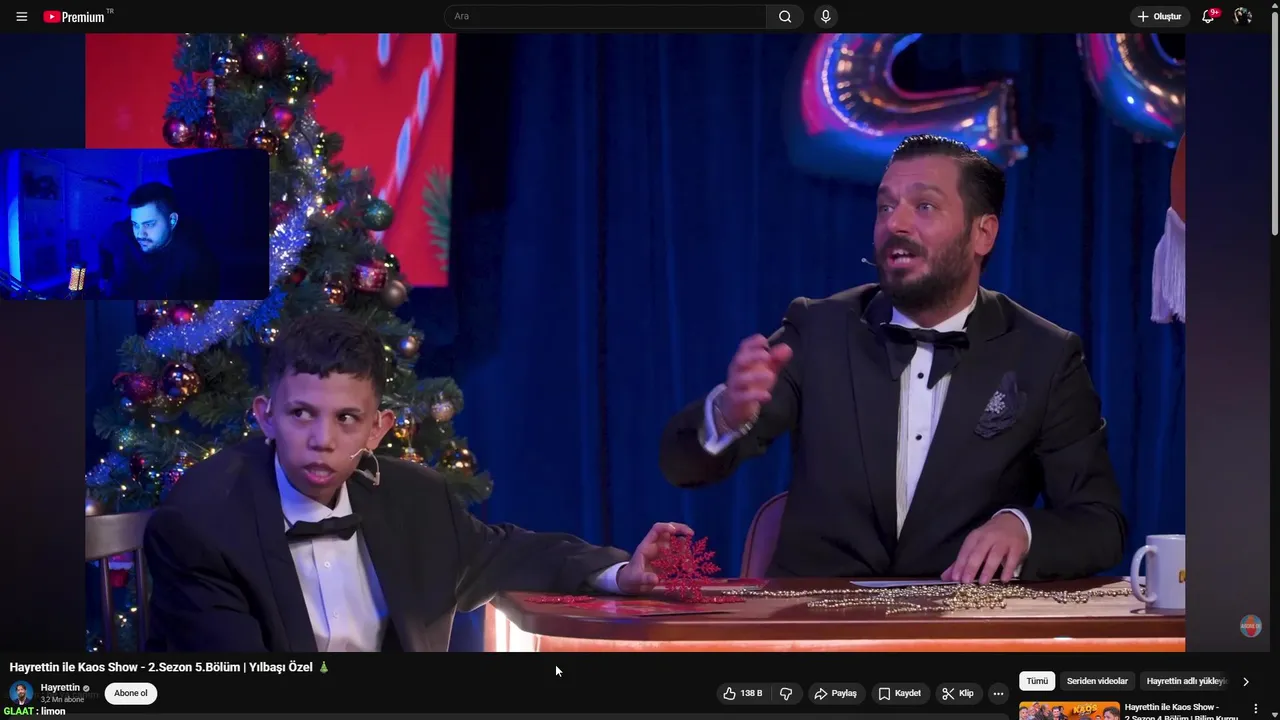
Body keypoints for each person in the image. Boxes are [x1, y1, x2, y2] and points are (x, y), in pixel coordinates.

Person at [659, 134, 1126, 583]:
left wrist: (1023, 529)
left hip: (963, 624)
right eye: (885, 207)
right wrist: (726, 415)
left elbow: (1100, 523)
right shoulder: (818, 330)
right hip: (817, 624)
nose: (895, 224)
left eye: (924, 206)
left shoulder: (1044, 355)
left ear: (982, 233)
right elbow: (681, 466)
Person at [144, 311, 689, 651]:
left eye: (347, 419)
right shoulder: (202, 523)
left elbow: (512, 554)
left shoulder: (416, 500)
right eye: (301, 414)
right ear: (265, 417)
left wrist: (621, 573)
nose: (322, 440)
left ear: (378, 429)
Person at [108, 182, 218, 299]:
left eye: (149, 224)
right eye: (135, 224)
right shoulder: (122, 233)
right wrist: (105, 277)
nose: (140, 234)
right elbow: (105, 245)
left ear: (172, 221)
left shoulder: (197, 262)